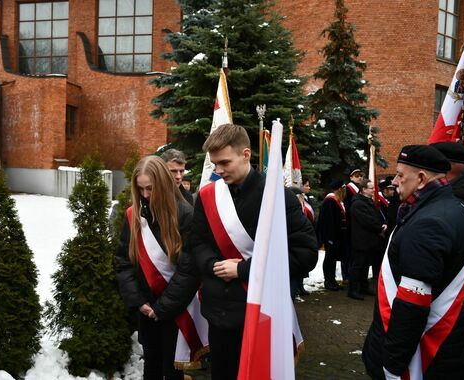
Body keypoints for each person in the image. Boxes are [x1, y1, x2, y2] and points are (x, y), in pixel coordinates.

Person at [188, 124, 318, 380]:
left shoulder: (278, 198)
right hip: (218, 312)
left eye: (224, 162)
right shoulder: (207, 197)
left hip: (261, 314)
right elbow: (197, 244)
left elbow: (305, 254)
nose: (218, 171)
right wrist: (213, 264)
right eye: (214, 164)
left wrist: (243, 269)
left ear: (246, 154)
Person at [362, 145, 464, 379]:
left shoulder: (429, 223)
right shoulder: (451, 208)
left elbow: (412, 305)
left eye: (401, 175)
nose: (394, 181)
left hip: (418, 360)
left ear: (422, 178)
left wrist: (392, 366)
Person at [116, 155, 197, 379]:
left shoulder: (185, 214)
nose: (145, 195)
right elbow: (124, 262)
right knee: (151, 365)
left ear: (162, 183)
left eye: (150, 189)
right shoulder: (134, 215)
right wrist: (140, 302)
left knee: (173, 370)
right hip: (147, 308)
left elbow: (189, 270)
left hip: (176, 310)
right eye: (140, 189)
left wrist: (162, 308)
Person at [348, 179, 387, 300]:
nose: (374, 190)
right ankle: (353, 290)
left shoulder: (368, 201)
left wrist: (383, 224)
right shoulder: (358, 203)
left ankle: (363, 287)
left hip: (369, 240)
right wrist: (380, 228)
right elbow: (366, 221)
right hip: (361, 240)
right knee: (357, 266)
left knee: (365, 266)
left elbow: (376, 216)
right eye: (371, 188)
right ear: (364, 189)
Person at [316, 180, 348, 291]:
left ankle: (332, 280)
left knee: (333, 259)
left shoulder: (337, 201)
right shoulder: (330, 201)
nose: (345, 191)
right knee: (329, 259)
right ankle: (328, 282)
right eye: (343, 188)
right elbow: (328, 222)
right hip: (331, 237)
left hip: (336, 237)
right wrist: (329, 238)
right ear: (339, 189)